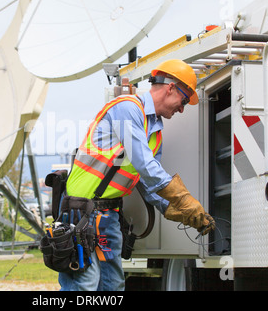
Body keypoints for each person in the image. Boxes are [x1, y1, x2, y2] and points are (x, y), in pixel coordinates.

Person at [58, 59, 215, 291]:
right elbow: (144, 163)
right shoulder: (127, 108)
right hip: (82, 211)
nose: (182, 109)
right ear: (171, 87)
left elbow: (147, 182)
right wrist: (182, 199)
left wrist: (173, 210)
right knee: (85, 285)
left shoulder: (155, 132)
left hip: (107, 216)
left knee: (113, 285)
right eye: (183, 100)